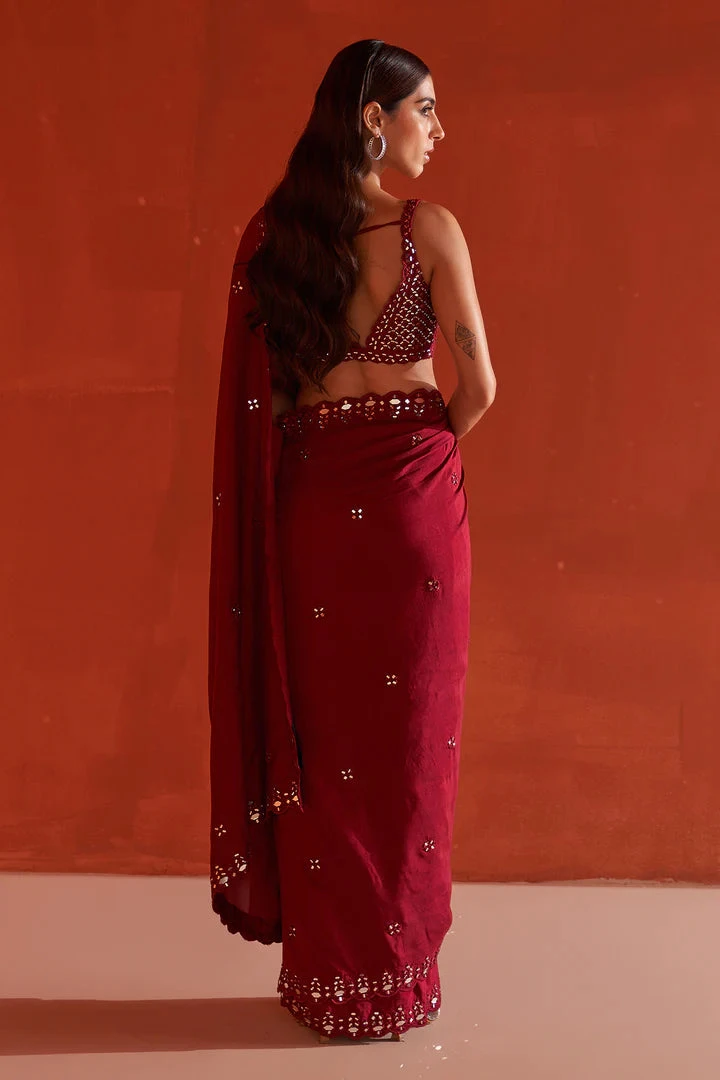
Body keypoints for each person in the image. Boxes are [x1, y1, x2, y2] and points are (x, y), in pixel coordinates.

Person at [208, 38, 496, 1045]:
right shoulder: (429, 230)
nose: (439, 128)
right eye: (426, 108)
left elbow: (272, 407)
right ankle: (398, 977)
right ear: (375, 119)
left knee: (322, 741)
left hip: (315, 515)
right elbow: (479, 387)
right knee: (412, 741)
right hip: (415, 514)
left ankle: (329, 977)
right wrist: (413, 457)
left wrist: (345, 452)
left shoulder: (276, 244)